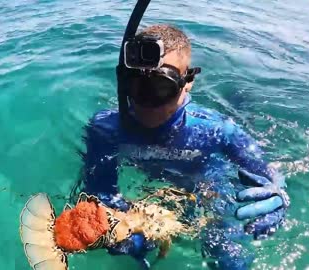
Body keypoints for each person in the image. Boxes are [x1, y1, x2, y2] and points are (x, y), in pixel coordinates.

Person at [72, 24, 290, 270]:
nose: (148, 101)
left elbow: (267, 173)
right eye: (137, 84)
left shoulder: (215, 130)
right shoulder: (106, 129)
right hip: (149, 195)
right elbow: (101, 195)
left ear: (188, 82)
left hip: (209, 192)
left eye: (161, 86)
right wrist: (121, 228)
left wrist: (279, 193)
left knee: (226, 256)